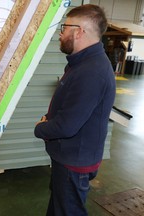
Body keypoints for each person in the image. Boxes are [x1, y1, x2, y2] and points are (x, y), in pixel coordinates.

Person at [34, 4, 116, 216]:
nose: (61, 33)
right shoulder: (81, 63)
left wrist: (41, 128)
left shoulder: (92, 71)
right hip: (68, 156)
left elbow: (68, 126)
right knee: (59, 207)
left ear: (80, 31)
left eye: (65, 27)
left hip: (74, 161)